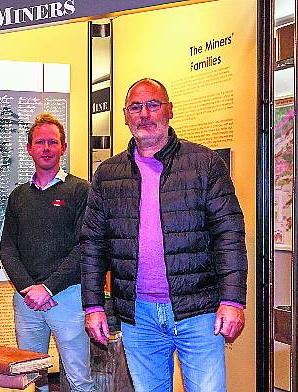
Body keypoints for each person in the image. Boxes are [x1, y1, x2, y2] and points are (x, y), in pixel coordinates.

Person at [81, 78, 248, 392]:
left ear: (169, 110)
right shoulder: (108, 175)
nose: (144, 113)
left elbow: (229, 234)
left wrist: (232, 300)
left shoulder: (204, 163)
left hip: (197, 310)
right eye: (135, 107)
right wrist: (93, 306)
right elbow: (93, 245)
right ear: (126, 116)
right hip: (138, 315)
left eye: (153, 105)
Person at [0, 113, 95, 392]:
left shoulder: (80, 190)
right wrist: (29, 288)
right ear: (29, 148)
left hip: (67, 298)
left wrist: (48, 289)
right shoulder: (18, 196)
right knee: (30, 380)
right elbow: (8, 248)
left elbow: (85, 247)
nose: (46, 148)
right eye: (39, 142)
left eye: (53, 142)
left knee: (79, 379)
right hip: (27, 301)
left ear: (63, 147)